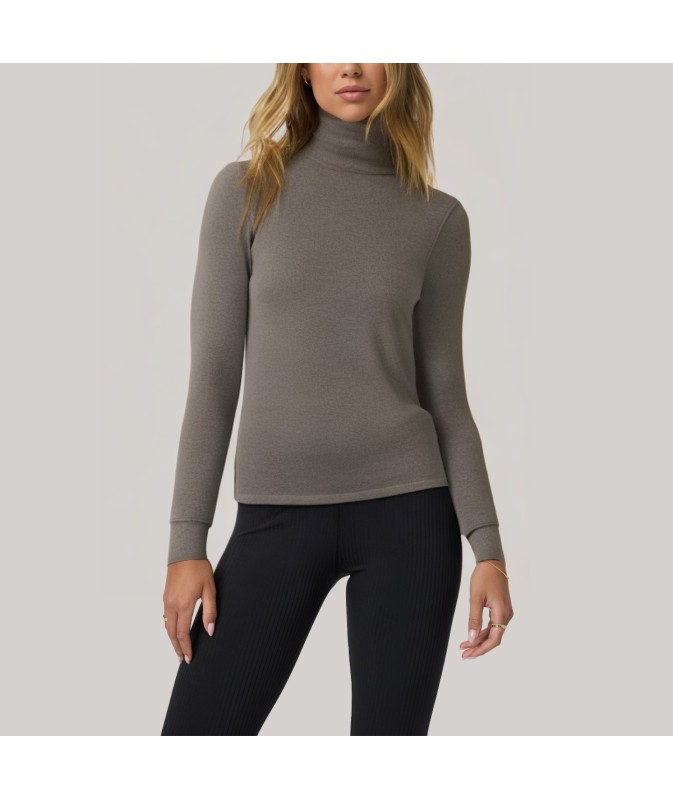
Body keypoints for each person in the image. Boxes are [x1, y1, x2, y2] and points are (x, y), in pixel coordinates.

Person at [161, 63, 514, 736]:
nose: (350, 65)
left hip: (410, 517)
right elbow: (213, 376)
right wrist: (187, 545)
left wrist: (488, 550)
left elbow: (446, 395)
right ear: (301, 68)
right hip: (273, 519)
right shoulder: (246, 191)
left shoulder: (437, 219)